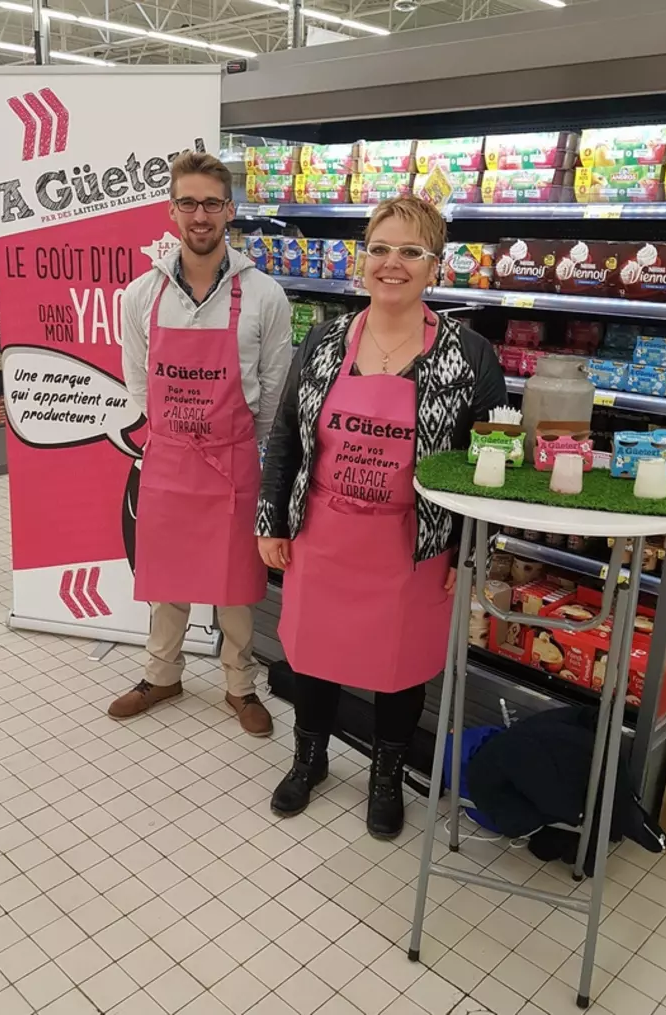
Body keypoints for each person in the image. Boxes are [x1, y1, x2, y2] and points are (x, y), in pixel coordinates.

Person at [257, 195, 506, 837]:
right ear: (363, 257)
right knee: (312, 654)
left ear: (436, 266)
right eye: (380, 248)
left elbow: (494, 468)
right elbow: (286, 433)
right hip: (323, 535)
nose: (391, 263)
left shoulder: (470, 355)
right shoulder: (325, 339)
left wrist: (471, 551)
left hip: (414, 546)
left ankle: (386, 775)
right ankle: (308, 756)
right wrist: (270, 520)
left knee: (400, 668)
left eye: (410, 252)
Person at [110, 152, 292, 736]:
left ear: (229, 211)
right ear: (171, 211)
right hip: (167, 456)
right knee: (166, 575)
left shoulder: (263, 295)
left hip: (234, 458)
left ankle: (240, 685)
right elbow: (137, 378)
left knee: (237, 581)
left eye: (211, 203)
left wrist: (245, 447)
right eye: (187, 202)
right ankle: (162, 673)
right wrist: (172, 429)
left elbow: (275, 385)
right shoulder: (141, 294)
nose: (200, 215)